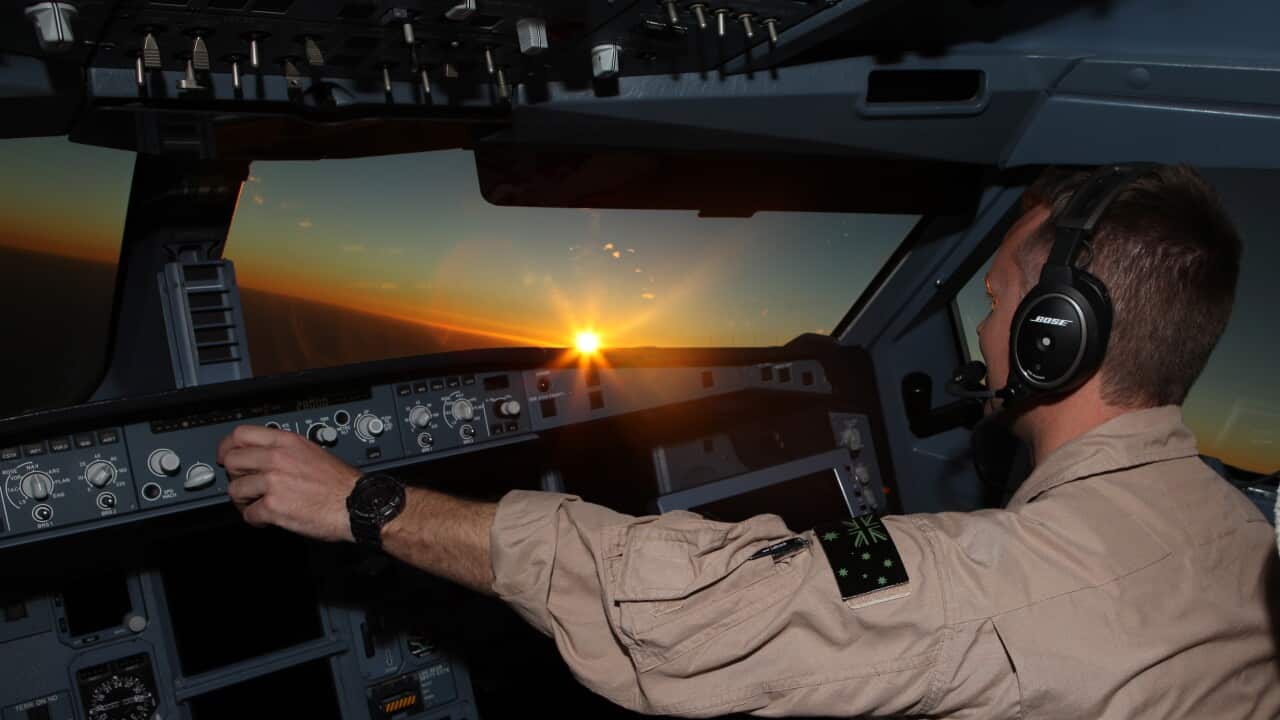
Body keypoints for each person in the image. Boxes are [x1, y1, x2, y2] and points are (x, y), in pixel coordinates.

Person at [216, 164, 1279, 718]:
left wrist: (367, 504)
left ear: (1058, 338)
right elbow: (891, 571)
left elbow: (685, 615)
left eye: (996, 301)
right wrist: (853, 556)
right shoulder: (1241, 532)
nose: (988, 326)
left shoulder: (1001, 582)